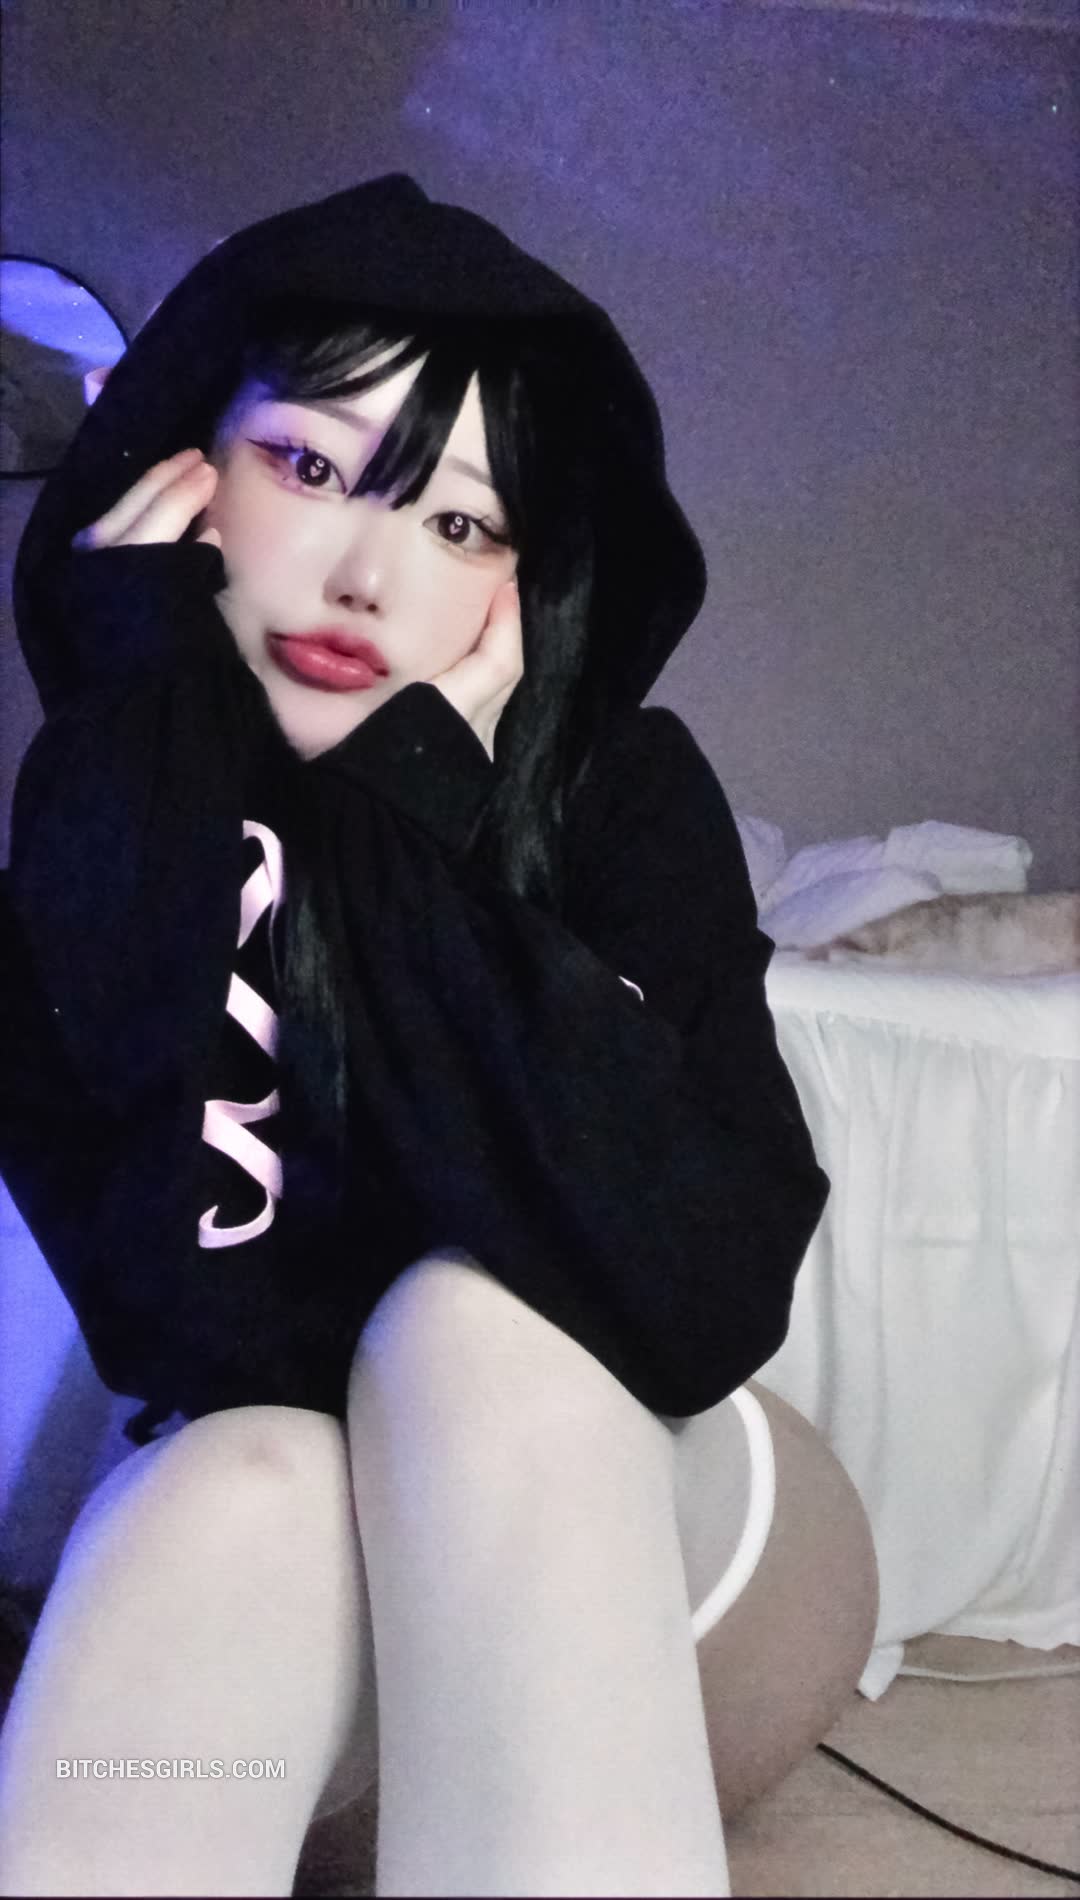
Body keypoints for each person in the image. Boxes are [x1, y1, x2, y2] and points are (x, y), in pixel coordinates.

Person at [0, 174, 877, 1897]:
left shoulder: (625, 796)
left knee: (474, 1329)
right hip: (302, 1648)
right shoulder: (109, 807)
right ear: (184, 468)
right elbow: (186, 1320)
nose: (367, 573)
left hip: (690, 1583)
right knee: (232, 1468)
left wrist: (408, 815)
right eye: (310, 466)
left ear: (526, 575)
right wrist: (143, 745)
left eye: (463, 523)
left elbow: (694, 1294)